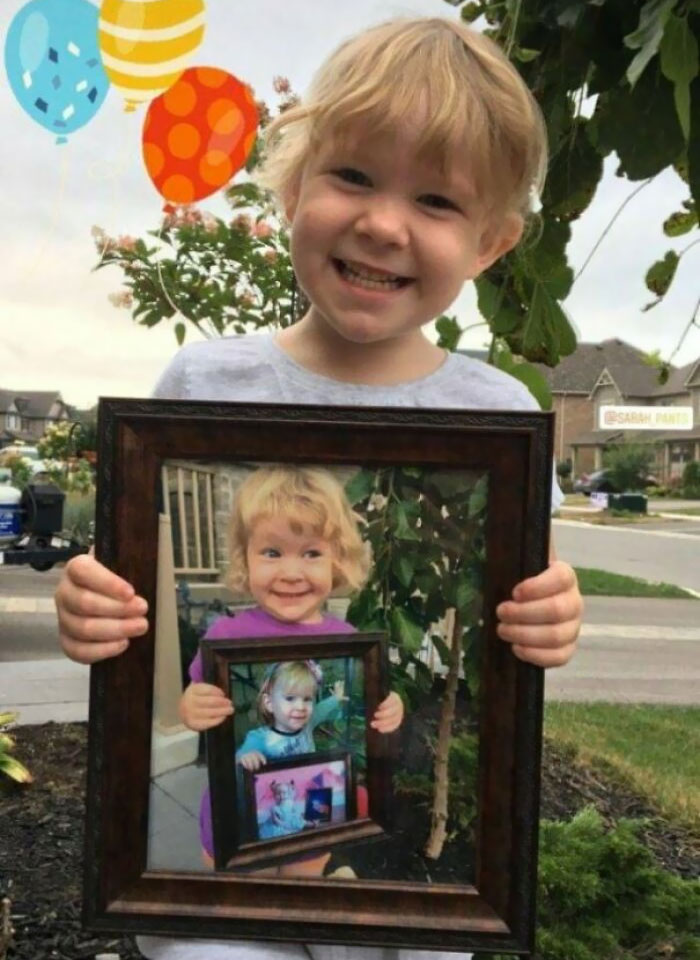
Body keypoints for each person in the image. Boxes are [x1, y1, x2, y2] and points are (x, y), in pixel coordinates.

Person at [55, 15, 583, 960]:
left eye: (436, 199)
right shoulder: (200, 385)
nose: (383, 223)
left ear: (491, 243)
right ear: (295, 186)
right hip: (223, 882)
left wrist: (551, 617)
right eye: (353, 176)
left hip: (383, 886)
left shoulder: (499, 415)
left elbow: (531, 596)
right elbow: (134, 612)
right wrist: (94, 611)